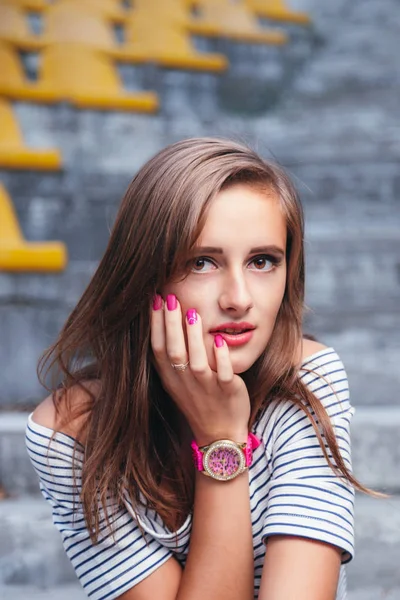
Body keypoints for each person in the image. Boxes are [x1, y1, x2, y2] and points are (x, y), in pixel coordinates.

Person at [26, 137, 379, 600]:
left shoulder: (307, 383)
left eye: (262, 261)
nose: (238, 299)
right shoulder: (71, 433)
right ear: (144, 274)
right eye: (202, 262)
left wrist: (221, 445)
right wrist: (218, 441)